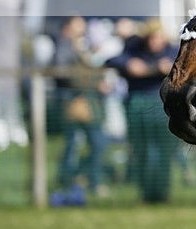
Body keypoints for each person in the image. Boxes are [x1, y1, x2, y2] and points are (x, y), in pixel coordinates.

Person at [105, 19, 178, 203]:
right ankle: (146, 194)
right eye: (151, 38)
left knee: (163, 153)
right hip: (137, 105)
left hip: (163, 107)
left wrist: (170, 68)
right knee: (142, 152)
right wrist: (130, 64)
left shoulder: (173, 51)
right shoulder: (134, 48)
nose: (154, 42)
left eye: (158, 37)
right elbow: (112, 60)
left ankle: (162, 193)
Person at [51, 15, 109, 204]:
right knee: (73, 145)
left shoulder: (81, 45)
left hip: (88, 102)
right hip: (73, 101)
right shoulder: (64, 45)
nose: (82, 27)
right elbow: (64, 74)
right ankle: (69, 181)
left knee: (96, 143)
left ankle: (83, 179)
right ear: (68, 26)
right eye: (78, 24)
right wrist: (93, 82)